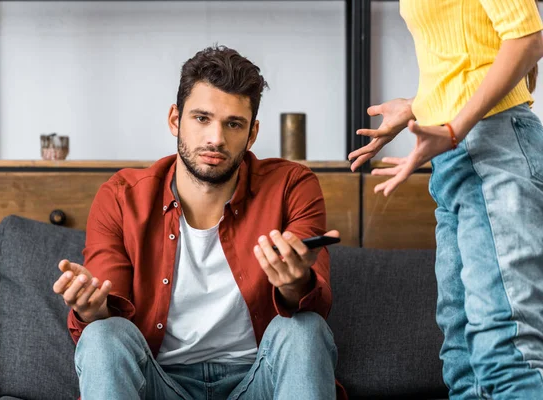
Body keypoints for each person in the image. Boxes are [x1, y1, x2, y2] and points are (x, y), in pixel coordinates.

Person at [52, 45, 345, 400]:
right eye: (202, 118)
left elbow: (314, 306)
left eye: (233, 124)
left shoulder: (292, 186)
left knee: (305, 331)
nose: (216, 139)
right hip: (159, 384)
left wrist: (295, 283)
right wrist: (90, 307)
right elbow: (106, 314)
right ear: (176, 119)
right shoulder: (121, 196)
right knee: (102, 337)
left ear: (252, 134)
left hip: (258, 383)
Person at [349, 1, 543, 398]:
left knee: (504, 352)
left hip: (492, 146)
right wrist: (419, 108)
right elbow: (467, 54)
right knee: (462, 361)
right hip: (455, 155)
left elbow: (526, 39)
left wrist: (454, 127)